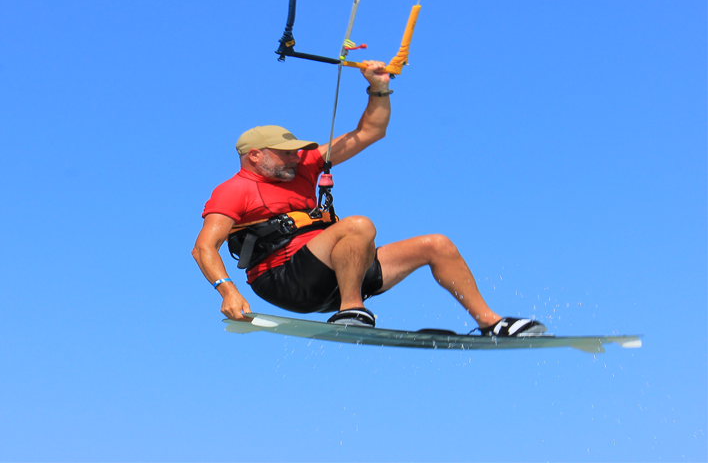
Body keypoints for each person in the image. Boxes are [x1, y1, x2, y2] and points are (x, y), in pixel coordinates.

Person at [192, 61, 546, 336]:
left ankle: (490, 322)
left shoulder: (305, 167)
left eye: (296, 152)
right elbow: (203, 248)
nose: (295, 158)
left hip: (339, 271)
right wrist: (227, 291)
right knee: (358, 225)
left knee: (437, 245)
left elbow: (371, 131)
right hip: (285, 281)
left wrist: (378, 88)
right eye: (285, 153)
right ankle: (351, 310)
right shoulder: (234, 189)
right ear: (255, 156)